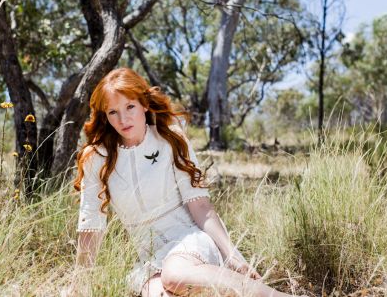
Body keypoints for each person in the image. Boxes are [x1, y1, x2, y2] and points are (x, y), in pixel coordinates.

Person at [70, 68, 301, 297]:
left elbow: (200, 206)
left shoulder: (170, 138)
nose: (123, 119)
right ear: (105, 116)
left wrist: (233, 256)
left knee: (175, 275)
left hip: (189, 241)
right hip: (150, 259)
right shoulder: (95, 158)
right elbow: (91, 225)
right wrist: (79, 285)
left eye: (130, 106)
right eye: (113, 112)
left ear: (144, 104)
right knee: (158, 294)